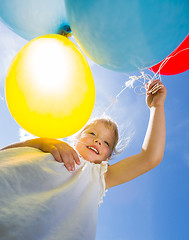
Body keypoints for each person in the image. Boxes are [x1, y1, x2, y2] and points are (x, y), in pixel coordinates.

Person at [0, 79, 166, 240]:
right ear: (76, 138)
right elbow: (6, 155)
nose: (98, 140)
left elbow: (150, 157)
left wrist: (156, 107)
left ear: (107, 158)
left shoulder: (99, 175)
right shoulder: (49, 147)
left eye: (107, 142)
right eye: (92, 133)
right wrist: (41, 142)